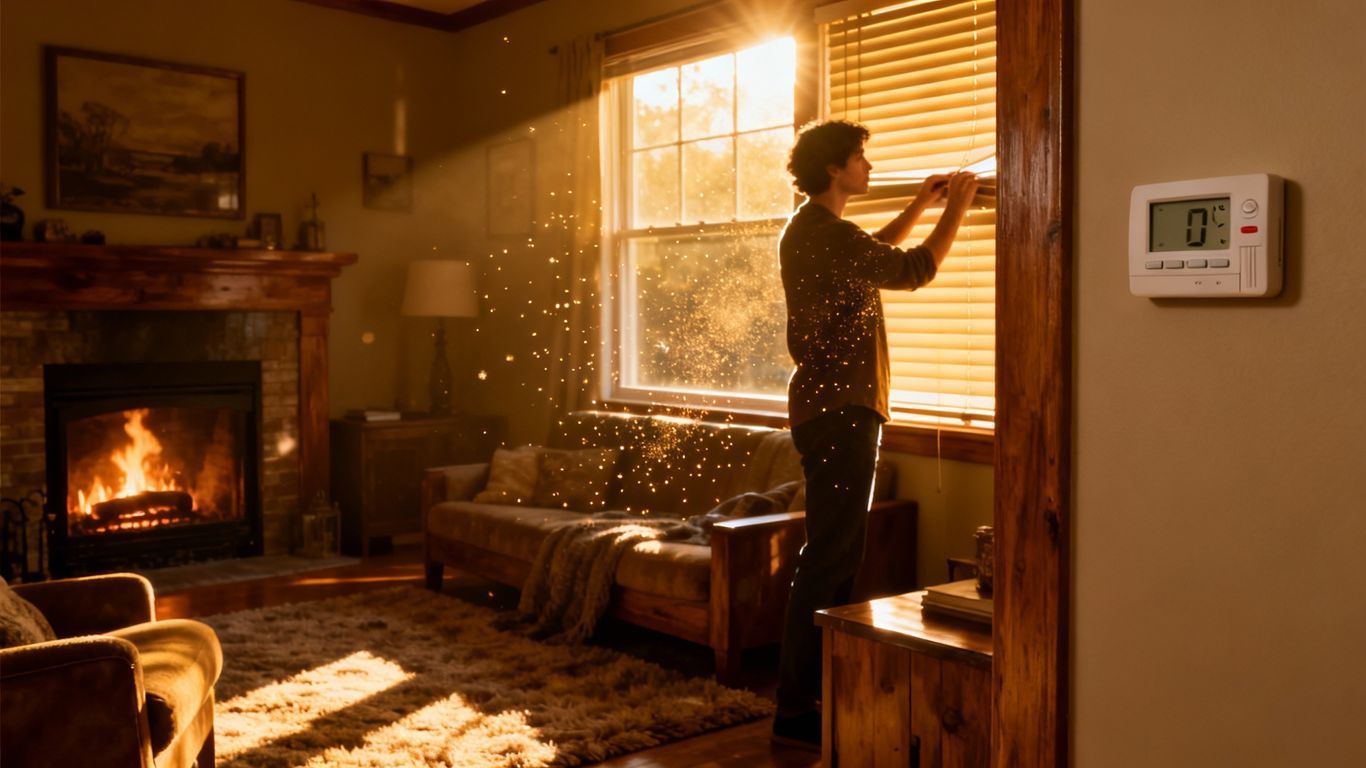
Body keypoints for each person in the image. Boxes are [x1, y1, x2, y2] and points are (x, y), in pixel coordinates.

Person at [772, 119, 979, 750]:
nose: (869, 166)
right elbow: (913, 269)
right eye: (861, 158)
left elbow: (872, 257)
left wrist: (921, 203)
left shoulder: (818, 231)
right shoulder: (824, 235)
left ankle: (811, 694)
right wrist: (959, 210)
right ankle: (794, 708)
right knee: (829, 558)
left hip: (835, 409)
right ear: (835, 168)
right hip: (840, 412)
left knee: (836, 556)